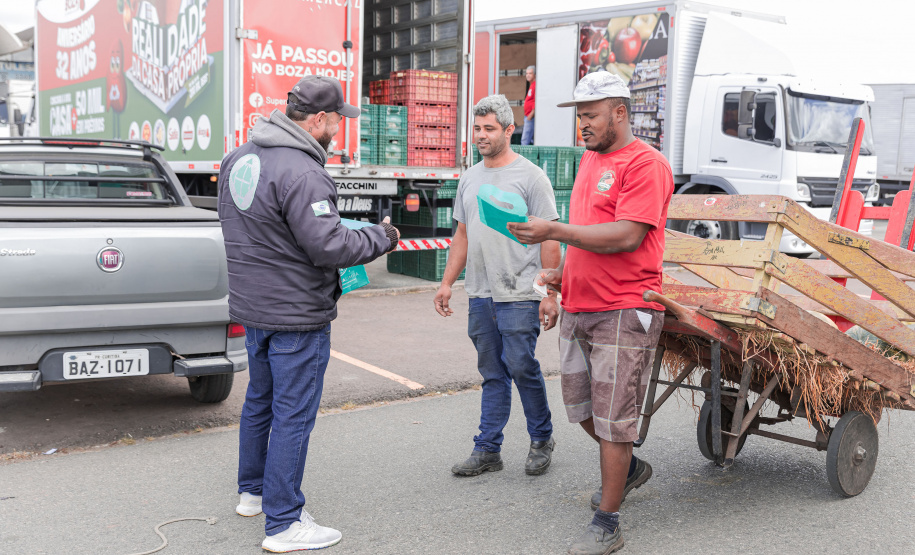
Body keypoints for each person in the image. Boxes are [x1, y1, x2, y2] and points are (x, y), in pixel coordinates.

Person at [217, 75, 400, 553]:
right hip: (296, 316)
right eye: (338, 119)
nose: (340, 128)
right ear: (319, 119)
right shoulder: (303, 171)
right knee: (293, 415)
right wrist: (381, 237)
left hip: (253, 309)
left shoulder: (240, 157)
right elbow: (327, 245)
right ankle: (284, 524)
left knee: (260, 401)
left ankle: (252, 494)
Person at [507, 72, 674, 555]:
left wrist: (554, 231)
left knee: (615, 418)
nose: (582, 125)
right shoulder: (590, 161)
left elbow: (626, 236)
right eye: (579, 115)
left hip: (625, 307)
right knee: (582, 409)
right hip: (580, 303)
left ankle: (609, 521)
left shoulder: (646, 164)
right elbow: (586, 232)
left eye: (590, 114)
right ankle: (631, 469)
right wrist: (558, 281)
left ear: (620, 111)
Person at [434, 94, 562, 478]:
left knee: (521, 366)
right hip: (481, 292)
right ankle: (488, 448)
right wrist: (446, 283)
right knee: (492, 371)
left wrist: (550, 294)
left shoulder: (531, 176)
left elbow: (551, 238)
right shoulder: (470, 177)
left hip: (521, 291)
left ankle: (542, 438)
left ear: (509, 130)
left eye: (489, 129)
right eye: (477, 128)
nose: (481, 136)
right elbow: (462, 234)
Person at [522, 65, 536, 145]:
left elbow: (535, 101)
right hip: (528, 116)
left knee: (525, 140)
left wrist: (531, 114)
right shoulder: (531, 85)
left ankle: (523, 157)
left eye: (530, 73)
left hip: (530, 117)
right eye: (526, 73)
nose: (528, 75)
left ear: (534, 75)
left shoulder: (535, 85)